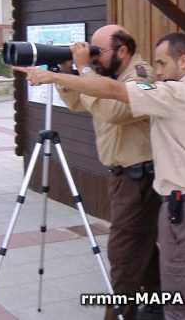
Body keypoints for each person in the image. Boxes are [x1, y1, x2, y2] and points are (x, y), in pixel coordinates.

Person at [16, 33, 185, 320]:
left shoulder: (170, 91)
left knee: (180, 297)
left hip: (179, 204)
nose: (158, 71)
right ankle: (154, 301)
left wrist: (66, 73)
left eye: (162, 63)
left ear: (183, 61)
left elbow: (115, 97)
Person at [52, 25, 162, 320]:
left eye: (98, 51)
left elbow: (113, 112)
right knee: (141, 241)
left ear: (122, 51)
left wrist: (85, 71)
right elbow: (78, 102)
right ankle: (157, 302)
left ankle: (120, 315)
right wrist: (68, 72)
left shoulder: (143, 76)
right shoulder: (108, 77)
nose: (93, 57)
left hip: (140, 177)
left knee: (123, 251)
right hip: (121, 176)